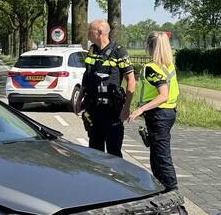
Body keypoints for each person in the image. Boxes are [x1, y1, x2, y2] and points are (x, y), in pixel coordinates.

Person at [126, 31, 179, 191]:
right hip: (169, 112)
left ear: (150, 48)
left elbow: (163, 95)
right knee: (157, 154)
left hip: (159, 115)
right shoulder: (168, 66)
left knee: (161, 156)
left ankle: (171, 190)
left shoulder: (151, 68)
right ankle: (161, 187)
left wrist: (139, 110)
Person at [77, 19, 135, 156]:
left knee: (113, 152)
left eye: (90, 31)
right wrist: (79, 98)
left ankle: (116, 177)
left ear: (100, 32)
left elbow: (131, 80)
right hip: (93, 109)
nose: (88, 35)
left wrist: (126, 108)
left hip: (112, 110)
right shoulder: (92, 50)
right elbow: (87, 75)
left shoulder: (119, 52)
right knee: (94, 151)